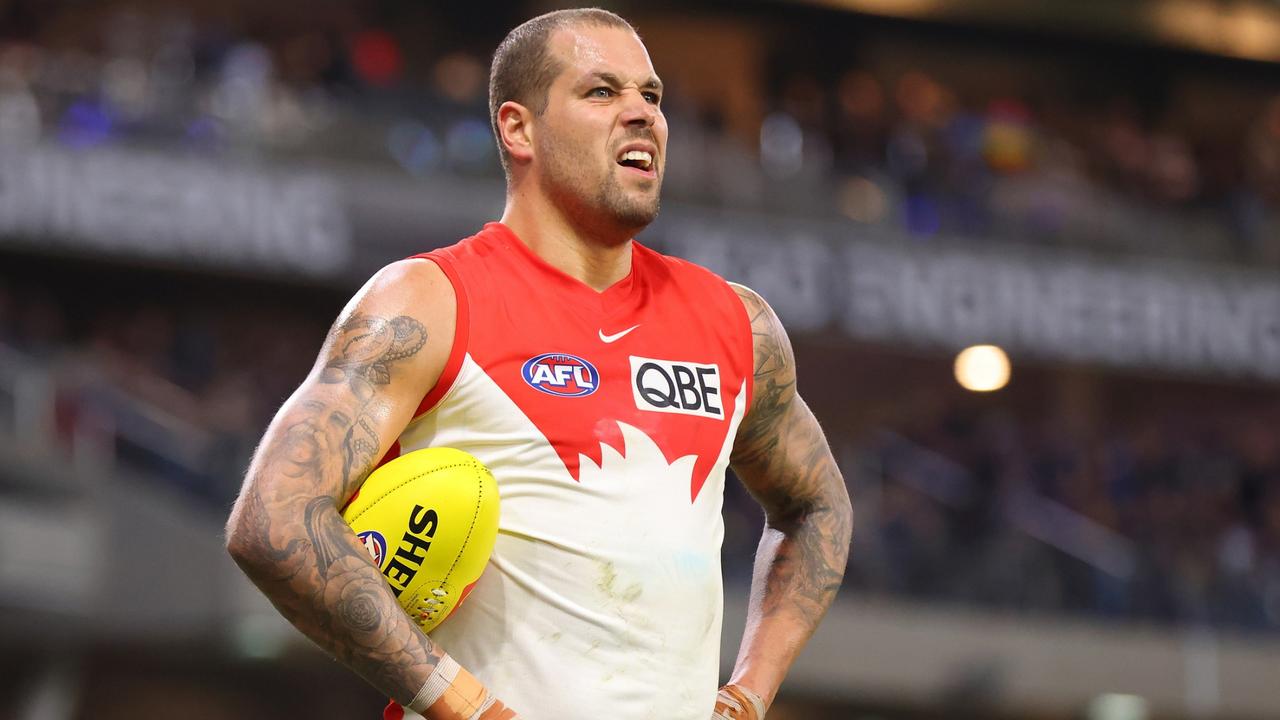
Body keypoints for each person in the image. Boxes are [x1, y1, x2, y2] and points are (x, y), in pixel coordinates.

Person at [225, 8, 852, 720]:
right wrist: (468, 706)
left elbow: (817, 506)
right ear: (518, 128)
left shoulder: (737, 323)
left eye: (652, 96)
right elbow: (273, 521)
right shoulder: (429, 301)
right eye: (601, 92)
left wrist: (749, 693)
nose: (642, 115)